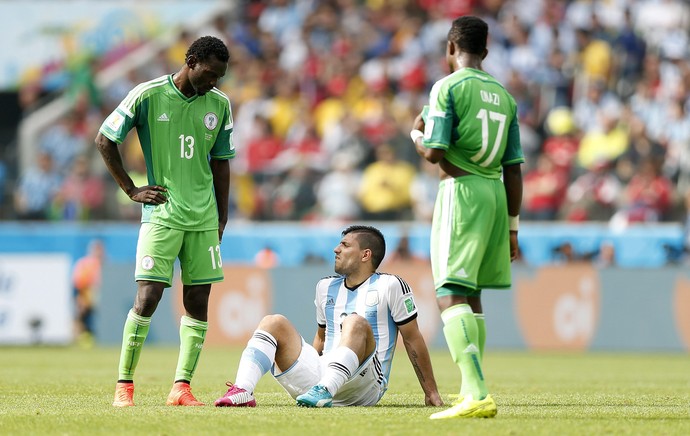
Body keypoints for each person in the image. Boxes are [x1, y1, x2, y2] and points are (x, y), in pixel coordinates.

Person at [95, 36, 234, 407]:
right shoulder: (148, 94)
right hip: (162, 214)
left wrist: (222, 217)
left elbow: (221, 162)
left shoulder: (219, 104)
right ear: (191, 61)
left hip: (203, 218)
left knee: (199, 300)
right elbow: (105, 139)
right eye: (210, 73)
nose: (214, 82)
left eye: (220, 76)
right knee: (148, 297)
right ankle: (124, 385)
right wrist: (131, 189)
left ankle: (181, 387)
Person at [410, 16, 524, 419]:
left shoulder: (447, 87)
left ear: (450, 48)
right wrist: (512, 227)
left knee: (448, 291)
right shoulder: (505, 96)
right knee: (472, 293)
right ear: (486, 52)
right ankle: (468, 390)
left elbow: (435, 152)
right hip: (495, 194)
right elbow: (514, 168)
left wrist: (416, 135)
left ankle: (476, 392)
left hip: (462, 190)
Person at [214, 225, 443, 408]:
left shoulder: (390, 285)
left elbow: (412, 338)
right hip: (324, 378)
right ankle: (243, 390)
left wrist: (430, 391)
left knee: (354, 322)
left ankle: (324, 389)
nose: (336, 249)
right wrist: (308, 369)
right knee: (272, 322)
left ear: (365, 254)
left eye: (344, 245)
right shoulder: (325, 287)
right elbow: (321, 340)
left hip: (366, 386)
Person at [72, 238, 105, 347]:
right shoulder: (85, 264)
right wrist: (81, 298)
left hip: (101, 298)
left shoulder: (106, 264)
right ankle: (81, 340)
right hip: (87, 296)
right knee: (83, 319)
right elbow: (79, 283)